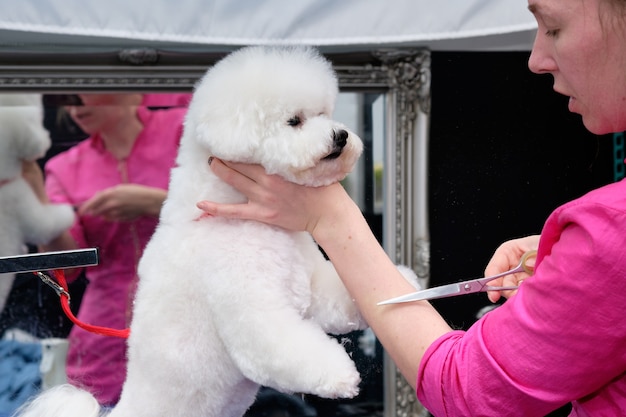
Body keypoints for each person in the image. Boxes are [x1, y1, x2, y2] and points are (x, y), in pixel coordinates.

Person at [195, 0, 626, 415]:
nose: (535, 59)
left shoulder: (613, 227)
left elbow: (470, 390)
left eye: (553, 27)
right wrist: (577, 265)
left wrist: (329, 216)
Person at [31, 94, 186, 406]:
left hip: (190, 316)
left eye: (82, 92)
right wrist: (37, 204)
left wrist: (158, 202)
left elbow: (242, 211)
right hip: (104, 336)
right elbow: (67, 269)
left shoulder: (185, 128)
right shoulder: (62, 168)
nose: (73, 108)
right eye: (65, 98)